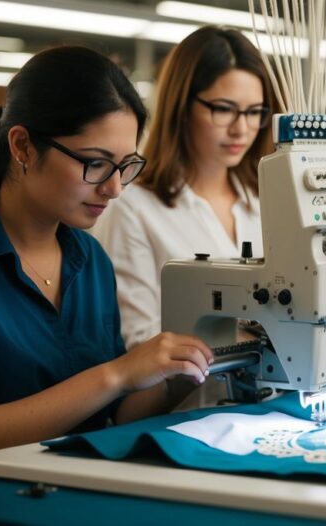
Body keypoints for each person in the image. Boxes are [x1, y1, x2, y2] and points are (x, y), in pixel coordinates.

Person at [0, 46, 215, 522]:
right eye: (95, 163)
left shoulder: (88, 258)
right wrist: (117, 373)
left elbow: (106, 418)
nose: (115, 188)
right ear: (22, 147)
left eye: (125, 166)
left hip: (62, 503)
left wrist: (183, 369)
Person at [94, 27, 275, 349]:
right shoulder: (132, 208)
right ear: (182, 105)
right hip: (188, 399)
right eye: (223, 109)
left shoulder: (266, 203)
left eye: (254, 112)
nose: (241, 129)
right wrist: (252, 336)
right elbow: (138, 341)